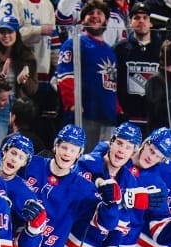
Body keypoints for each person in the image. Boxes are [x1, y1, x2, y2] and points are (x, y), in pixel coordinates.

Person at [14, 124, 120, 247]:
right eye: (64, 147)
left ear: (79, 154)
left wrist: (110, 204)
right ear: (55, 146)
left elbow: (107, 224)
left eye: (73, 150)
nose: (67, 154)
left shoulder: (83, 188)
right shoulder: (31, 165)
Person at [56, 122, 144, 247]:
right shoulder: (86, 163)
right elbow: (73, 201)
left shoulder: (130, 181)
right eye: (119, 143)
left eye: (128, 147)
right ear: (111, 142)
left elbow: (120, 225)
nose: (122, 150)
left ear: (133, 153)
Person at [56, 0, 117, 149]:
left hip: (108, 116)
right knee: (83, 158)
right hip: (85, 115)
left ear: (106, 21)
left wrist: (117, 108)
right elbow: (65, 76)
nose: (95, 16)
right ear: (82, 20)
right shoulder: (75, 43)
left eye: (99, 13)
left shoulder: (110, 50)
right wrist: (72, 104)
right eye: (90, 13)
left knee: (103, 160)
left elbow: (113, 84)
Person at [0, 15, 38, 146]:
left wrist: (24, 82)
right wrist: (0, 77)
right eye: (2, 32)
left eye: (10, 32)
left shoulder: (27, 56)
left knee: (21, 146)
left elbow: (33, 89)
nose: (6, 36)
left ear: (17, 33)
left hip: (20, 107)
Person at [113, 3, 161, 131]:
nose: (141, 21)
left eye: (145, 17)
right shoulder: (120, 49)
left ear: (151, 22)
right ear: (130, 22)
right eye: (137, 18)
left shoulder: (161, 49)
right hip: (126, 117)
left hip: (155, 117)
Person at [0, 0, 57, 81]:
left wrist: (59, 69)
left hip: (44, 73)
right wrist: (38, 30)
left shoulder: (48, 4)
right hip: (17, 72)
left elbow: (54, 41)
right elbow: (7, 36)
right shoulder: (9, 2)